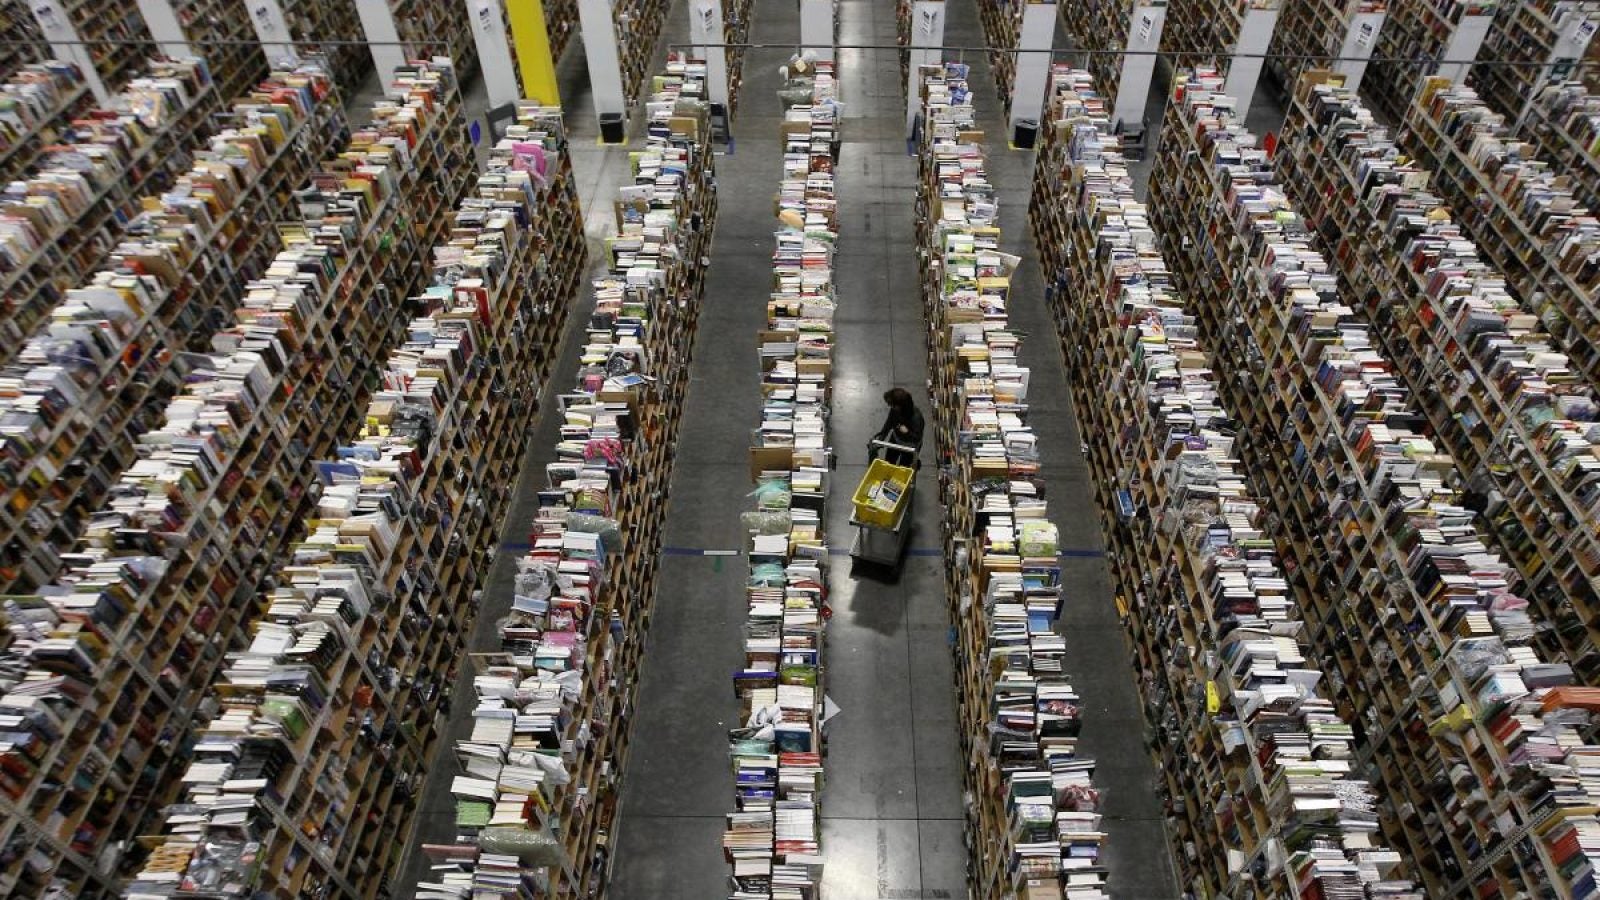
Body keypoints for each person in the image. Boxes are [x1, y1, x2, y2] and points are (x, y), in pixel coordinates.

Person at [872, 388, 925, 468]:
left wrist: (907, 432)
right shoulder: (895, 410)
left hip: (909, 447)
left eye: (892, 405)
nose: (890, 407)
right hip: (896, 440)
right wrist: (880, 439)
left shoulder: (916, 417)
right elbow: (889, 423)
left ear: (901, 405)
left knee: (902, 469)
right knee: (888, 464)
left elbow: (917, 438)